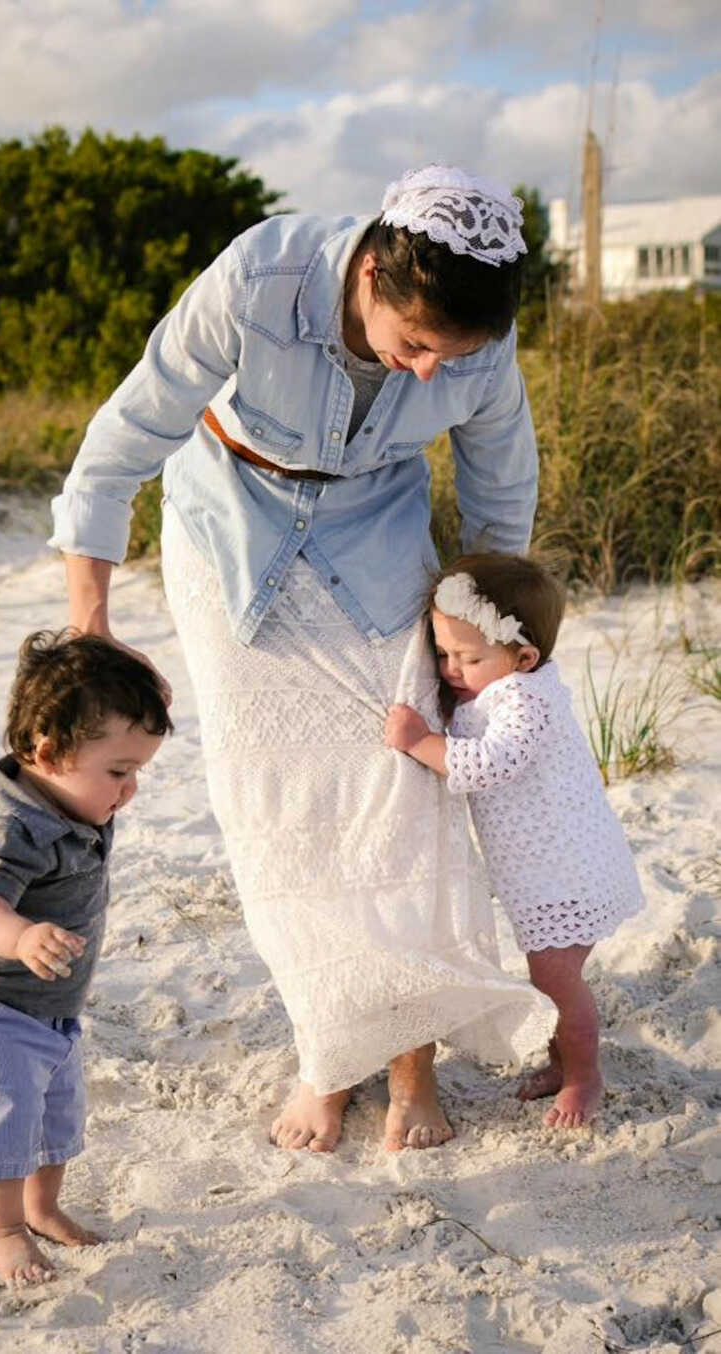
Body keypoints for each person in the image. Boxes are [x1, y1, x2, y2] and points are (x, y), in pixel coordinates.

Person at [50, 164, 554, 1155]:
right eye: (412, 344)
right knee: (274, 800)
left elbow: (500, 506)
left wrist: (488, 648)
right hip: (231, 516)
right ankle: (329, 1049)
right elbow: (124, 439)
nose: (424, 373)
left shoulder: (480, 353)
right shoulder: (258, 278)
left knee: (406, 779)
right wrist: (91, 620)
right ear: (370, 272)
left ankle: (412, 1058)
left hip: (377, 523)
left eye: (445, 359)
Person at [0, 631, 172, 1286]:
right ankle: (1, 1227)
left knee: (57, 1113)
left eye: (137, 770)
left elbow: (127, 704)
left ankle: (43, 1206)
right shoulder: (13, 826)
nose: (129, 789)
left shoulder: (72, 791)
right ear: (47, 752)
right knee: (2, 1117)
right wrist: (22, 937)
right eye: (119, 771)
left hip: (50, 1006)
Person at [384, 553, 644, 1128]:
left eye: (468, 658)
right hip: (548, 871)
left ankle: (583, 1075)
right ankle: (563, 1061)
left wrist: (420, 741)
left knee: (558, 984)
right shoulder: (500, 686)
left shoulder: (524, 699)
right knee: (550, 980)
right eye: (444, 653)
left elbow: (492, 762)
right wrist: (461, 689)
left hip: (566, 875)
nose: (451, 669)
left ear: (523, 657)